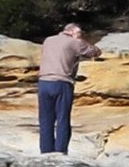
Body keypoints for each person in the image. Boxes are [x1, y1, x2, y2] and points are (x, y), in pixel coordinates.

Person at [38, 23, 101, 154]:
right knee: (62, 119)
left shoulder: (48, 40)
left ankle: (46, 151)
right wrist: (80, 40)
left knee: (45, 120)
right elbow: (95, 52)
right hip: (62, 82)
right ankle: (60, 151)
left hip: (43, 82)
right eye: (80, 33)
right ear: (73, 32)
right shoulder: (74, 42)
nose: (80, 36)